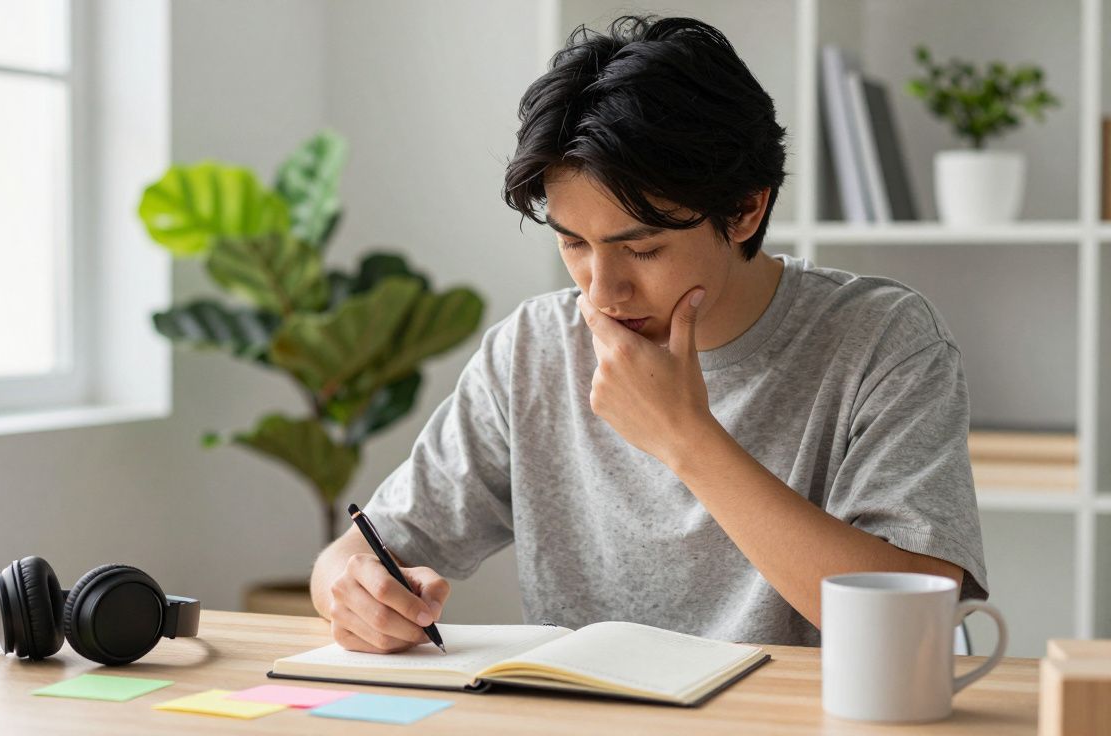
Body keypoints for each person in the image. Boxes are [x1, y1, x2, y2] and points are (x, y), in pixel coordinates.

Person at [309, 15, 987, 653]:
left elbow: (912, 630)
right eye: (574, 243)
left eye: (642, 249)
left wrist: (686, 437)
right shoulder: (534, 350)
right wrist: (353, 590)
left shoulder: (881, 339)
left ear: (747, 209)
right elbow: (362, 552)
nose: (602, 291)